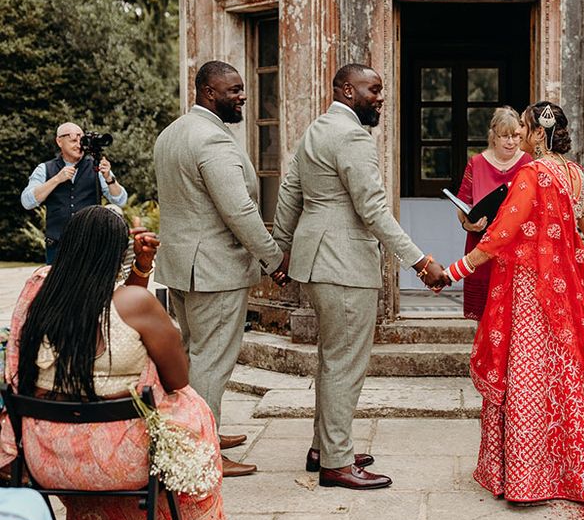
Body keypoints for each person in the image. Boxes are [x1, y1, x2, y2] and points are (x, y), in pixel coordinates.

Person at [0, 206, 229, 520]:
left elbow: (100, 310)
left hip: (50, 458)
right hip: (123, 463)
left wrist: (139, 273)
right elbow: (176, 377)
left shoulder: (38, 299)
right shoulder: (135, 305)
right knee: (192, 407)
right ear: (116, 254)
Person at [443, 101, 584, 503]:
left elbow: (498, 237)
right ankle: (580, 471)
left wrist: (451, 273)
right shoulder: (575, 174)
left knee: (529, 376)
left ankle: (526, 477)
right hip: (570, 293)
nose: (520, 135)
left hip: (532, 294)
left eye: (524, 128)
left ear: (536, 134)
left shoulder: (530, 174)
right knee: (569, 371)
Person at [272, 63, 446, 490]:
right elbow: (372, 210)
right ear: (348, 91)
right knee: (344, 363)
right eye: (374, 90)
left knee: (333, 357)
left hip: (317, 261)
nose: (381, 98)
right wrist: (420, 261)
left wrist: (280, 249)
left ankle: (322, 448)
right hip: (343, 262)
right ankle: (336, 461)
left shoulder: (315, 128)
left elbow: (290, 192)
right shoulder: (351, 135)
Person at [154, 60, 289, 477]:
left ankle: (201, 430)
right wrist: (274, 257)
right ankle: (203, 453)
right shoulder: (212, 140)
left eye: (242, 88)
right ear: (208, 93)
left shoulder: (171, 133)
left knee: (195, 356)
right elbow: (239, 210)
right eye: (233, 90)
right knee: (212, 360)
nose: (243, 96)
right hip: (214, 270)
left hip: (181, 268)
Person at [456, 106, 532, 320]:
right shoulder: (477, 163)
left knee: (515, 314)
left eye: (516, 135)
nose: (511, 142)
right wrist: (467, 224)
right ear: (494, 136)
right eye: (505, 136)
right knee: (485, 315)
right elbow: (462, 202)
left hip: (517, 247)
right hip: (482, 245)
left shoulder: (528, 162)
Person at [21, 121, 127, 264]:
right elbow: (27, 202)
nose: (78, 144)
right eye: (73, 140)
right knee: (57, 286)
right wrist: (57, 179)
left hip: (90, 244)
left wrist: (109, 177)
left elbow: (120, 201)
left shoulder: (96, 166)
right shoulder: (44, 168)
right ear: (59, 141)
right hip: (57, 245)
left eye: (81, 139)